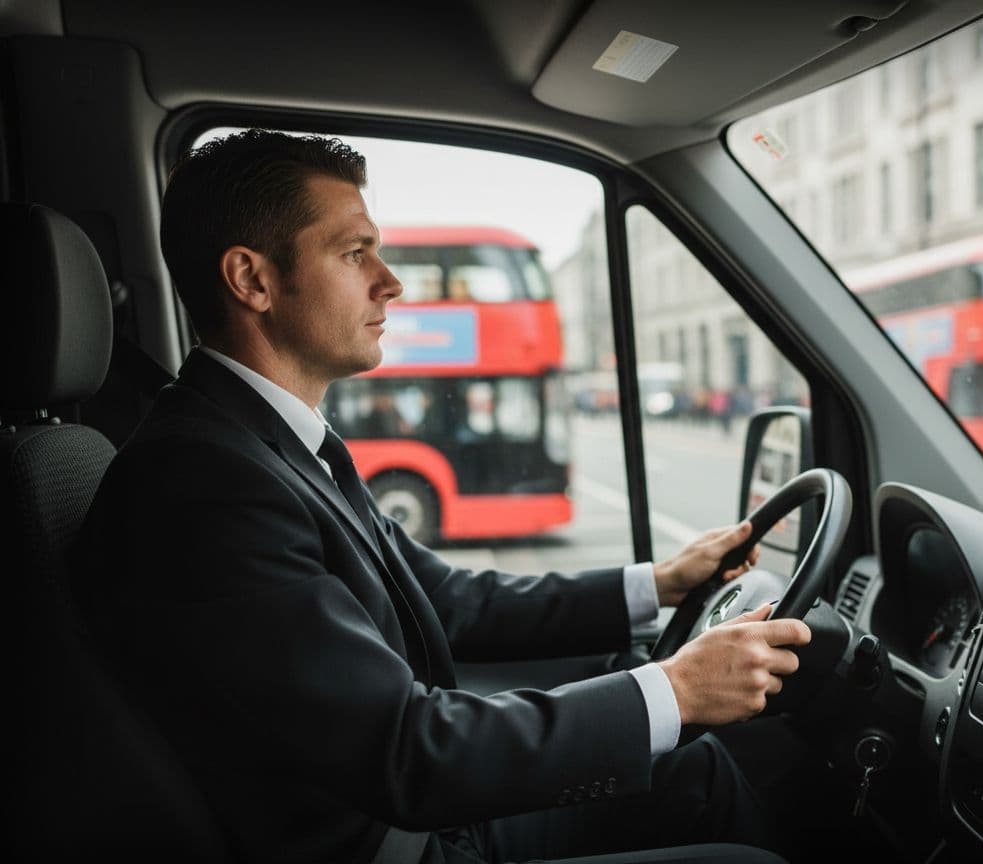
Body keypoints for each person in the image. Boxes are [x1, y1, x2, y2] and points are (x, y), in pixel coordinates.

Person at [76, 129, 812, 864]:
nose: (391, 282)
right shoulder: (206, 483)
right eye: (354, 252)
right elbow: (405, 755)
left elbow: (450, 600)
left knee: (697, 772)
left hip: (400, 824)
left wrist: (658, 582)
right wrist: (675, 691)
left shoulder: (266, 444)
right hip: (388, 846)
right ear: (253, 281)